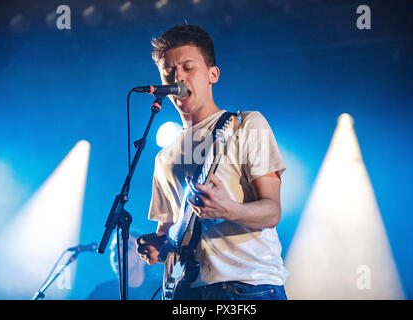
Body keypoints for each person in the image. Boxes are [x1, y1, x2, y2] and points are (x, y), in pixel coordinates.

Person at [136, 24, 288, 300]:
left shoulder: (246, 125)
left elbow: (272, 212)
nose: (178, 76)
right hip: (185, 292)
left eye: (187, 67)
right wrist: (158, 247)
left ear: (212, 74)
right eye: (169, 71)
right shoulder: (163, 157)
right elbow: (169, 234)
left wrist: (228, 209)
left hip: (247, 287)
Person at [87, 229, 161, 300]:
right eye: (114, 248)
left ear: (144, 256)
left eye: (127, 247)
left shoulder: (160, 290)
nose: (118, 251)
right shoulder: (102, 292)